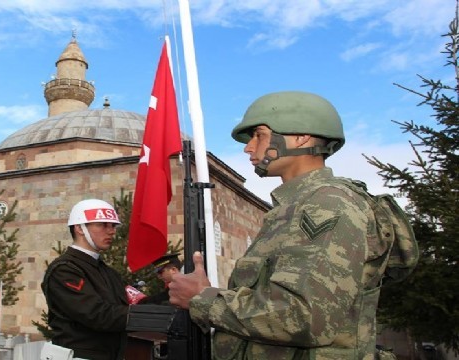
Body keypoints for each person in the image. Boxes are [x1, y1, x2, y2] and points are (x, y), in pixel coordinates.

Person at [168, 91, 403, 359]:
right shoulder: (295, 207)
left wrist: (204, 299)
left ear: (301, 136)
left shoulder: (327, 204)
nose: (248, 147)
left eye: (259, 135)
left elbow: (306, 317)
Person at [41, 199, 129, 360]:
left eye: (113, 226)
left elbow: (128, 305)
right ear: (79, 228)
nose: (111, 231)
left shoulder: (109, 272)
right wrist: (149, 316)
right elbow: (98, 315)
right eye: (102, 224)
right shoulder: (64, 270)